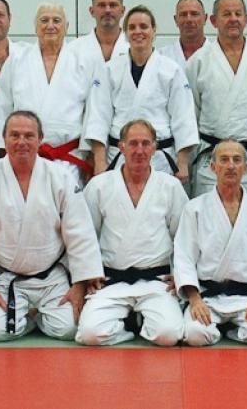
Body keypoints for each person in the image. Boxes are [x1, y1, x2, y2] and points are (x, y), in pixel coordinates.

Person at [0, 111, 104, 341]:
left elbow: (79, 232)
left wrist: (79, 285)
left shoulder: (60, 177)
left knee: (69, 329)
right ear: (4, 139)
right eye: (14, 135)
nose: (22, 142)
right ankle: (27, 319)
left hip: (51, 277)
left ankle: (34, 317)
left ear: (40, 139)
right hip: (6, 277)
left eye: (29, 136)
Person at [76, 120, 189, 346]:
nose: (139, 150)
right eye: (133, 143)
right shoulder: (99, 185)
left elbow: (184, 238)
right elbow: (85, 236)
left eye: (146, 144)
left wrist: (181, 275)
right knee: (89, 334)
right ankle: (128, 328)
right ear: (121, 147)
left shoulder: (170, 186)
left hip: (156, 281)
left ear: (155, 148)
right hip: (111, 280)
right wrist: (88, 274)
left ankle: (140, 321)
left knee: (168, 335)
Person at [174, 140, 247, 345]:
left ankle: (230, 331)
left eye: (237, 160)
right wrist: (194, 298)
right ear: (213, 167)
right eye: (224, 160)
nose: (231, 165)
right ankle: (222, 328)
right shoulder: (195, 208)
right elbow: (184, 257)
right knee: (195, 335)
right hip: (207, 296)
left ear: (246, 168)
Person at [85, 6, 198, 183]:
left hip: (159, 158)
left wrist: (182, 162)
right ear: (125, 33)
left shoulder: (171, 70)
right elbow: (98, 117)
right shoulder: (110, 69)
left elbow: (184, 117)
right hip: (119, 156)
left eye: (144, 26)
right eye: (132, 27)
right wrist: (99, 160)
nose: (138, 32)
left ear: (154, 30)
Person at [186, 0, 247, 199]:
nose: (233, 19)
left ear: (246, 19)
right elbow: (191, 112)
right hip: (213, 160)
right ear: (213, 21)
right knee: (209, 215)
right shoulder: (198, 61)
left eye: (238, 14)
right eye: (226, 14)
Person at [0, 2, 95, 186]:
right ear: (35, 27)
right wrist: (2, 149)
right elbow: (2, 108)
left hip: (68, 158)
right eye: (44, 20)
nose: (50, 25)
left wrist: (90, 152)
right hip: (23, 154)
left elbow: (92, 111)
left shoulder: (82, 61)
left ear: (66, 27)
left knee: (66, 203)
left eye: (56, 20)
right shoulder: (17, 60)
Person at [68, 0, 129, 74]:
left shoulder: (134, 47)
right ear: (92, 11)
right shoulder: (73, 50)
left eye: (113, 5)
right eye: (102, 5)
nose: (107, 10)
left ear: (122, 11)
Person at [158, 0, 211, 70]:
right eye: (183, 14)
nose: (189, 19)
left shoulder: (219, 56)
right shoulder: (161, 56)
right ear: (176, 20)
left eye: (194, 14)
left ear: (205, 18)